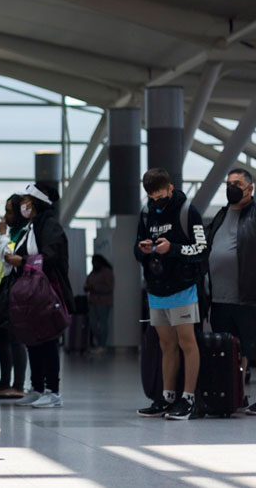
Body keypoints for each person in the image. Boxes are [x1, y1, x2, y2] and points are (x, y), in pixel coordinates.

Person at [134, 168, 206, 420]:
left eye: (160, 196)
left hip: (183, 288)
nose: (156, 202)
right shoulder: (146, 214)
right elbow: (136, 249)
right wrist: (145, 249)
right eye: (151, 197)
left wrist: (172, 248)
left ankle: (188, 398)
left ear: (170, 187)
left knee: (187, 342)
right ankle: (167, 396)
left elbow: (200, 249)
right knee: (166, 345)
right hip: (156, 288)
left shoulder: (188, 212)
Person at [5, 183, 75, 409]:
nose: (23, 204)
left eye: (26, 199)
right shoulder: (32, 226)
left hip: (48, 291)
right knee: (34, 338)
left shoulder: (49, 226)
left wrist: (22, 261)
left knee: (48, 340)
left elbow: (51, 256)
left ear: (34, 202)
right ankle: (36, 388)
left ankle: (52, 391)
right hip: (33, 293)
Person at [205, 168, 256, 415]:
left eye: (236, 183)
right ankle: (234, 395)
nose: (231, 188)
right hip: (220, 297)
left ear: (250, 188)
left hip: (247, 296)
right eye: (228, 183)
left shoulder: (254, 215)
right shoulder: (221, 215)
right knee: (228, 350)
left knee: (251, 347)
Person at [0, 194, 28, 399]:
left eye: (9, 211)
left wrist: (2, 234)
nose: (5, 216)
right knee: (3, 339)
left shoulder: (21, 232)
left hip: (15, 292)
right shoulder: (14, 231)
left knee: (16, 339)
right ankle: (5, 381)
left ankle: (18, 384)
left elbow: (9, 255)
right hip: (3, 288)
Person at [85, 254, 114, 353]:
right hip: (92, 301)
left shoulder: (107, 272)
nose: (93, 264)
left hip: (103, 302)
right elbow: (87, 282)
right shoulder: (93, 272)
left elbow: (109, 287)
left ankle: (102, 345)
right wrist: (88, 287)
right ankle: (98, 343)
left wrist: (95, 288)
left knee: (103, 324)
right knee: (92, 324)